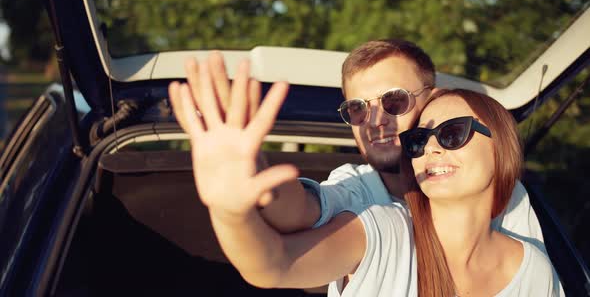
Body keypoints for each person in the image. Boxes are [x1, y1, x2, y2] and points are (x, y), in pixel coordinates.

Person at [168, 68, 562, 295]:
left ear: (501, 145)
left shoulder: (533, 268)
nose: (431, 149)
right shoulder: (384, 230)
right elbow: (274, 264)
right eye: (418, 140)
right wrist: (231, 212)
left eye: (453, 132)